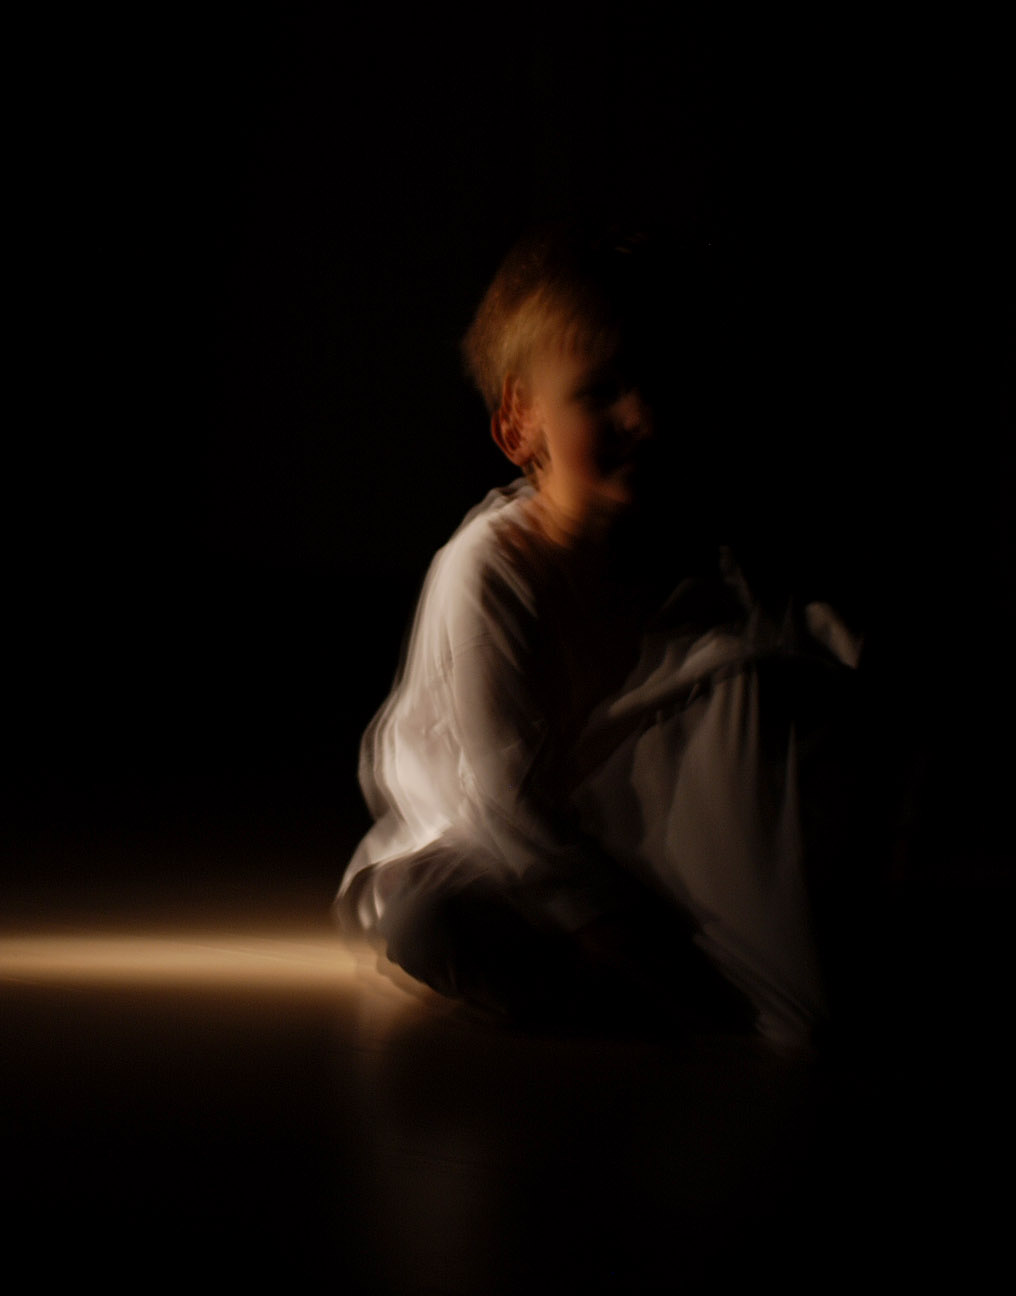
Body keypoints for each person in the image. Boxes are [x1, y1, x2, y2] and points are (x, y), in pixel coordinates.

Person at [335, 225, 865, 1049]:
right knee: (428, 913)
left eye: (656, 384)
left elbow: (744, 658)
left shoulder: (679, 547)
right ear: (521, 424)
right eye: (601, 392)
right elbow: (505, 796)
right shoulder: (490, 569)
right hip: (498, 840)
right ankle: (604, 988)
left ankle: (721, 968)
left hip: (625, 836)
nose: (641, 416)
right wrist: (603, 923)